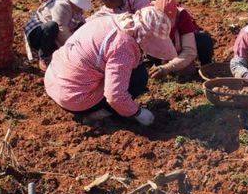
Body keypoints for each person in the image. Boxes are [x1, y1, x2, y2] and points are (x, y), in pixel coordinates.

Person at [44, 7, 176, 126]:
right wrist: (138, 113)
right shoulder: (123, 45)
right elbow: (115, 96)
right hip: (74, 97)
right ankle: (98, 114)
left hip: (53, 79)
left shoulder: (111, 19)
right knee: (139, 78)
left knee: (134, 69)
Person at [24, 0, 93, 71]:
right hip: (38, 34)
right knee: (52, 26)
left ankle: (55, 49)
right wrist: (74, 49)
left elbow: (81, 22)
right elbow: (61, 29)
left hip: (54, 34)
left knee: (81, 26)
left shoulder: (76, 7)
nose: (81, 9)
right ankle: (44, 56)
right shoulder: (61, 5)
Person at [149, 0, 215, 78]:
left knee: (204, 40)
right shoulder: (149, 15)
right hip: (162, 47)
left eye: (168, 21)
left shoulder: (182, 16)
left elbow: (189, 51)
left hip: (180, 44)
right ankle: (157, 63)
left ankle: (206, 69)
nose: (165, 24)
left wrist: (167, 68)